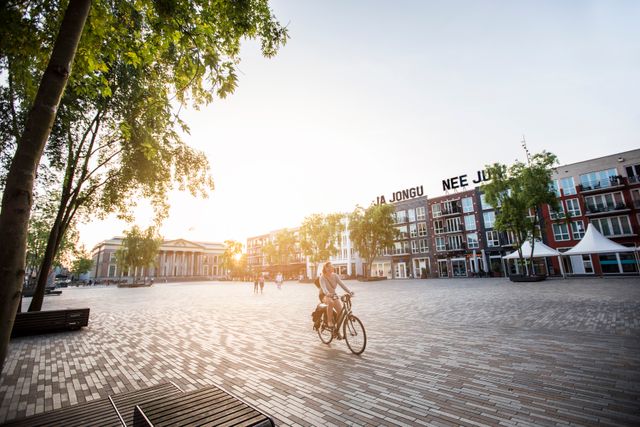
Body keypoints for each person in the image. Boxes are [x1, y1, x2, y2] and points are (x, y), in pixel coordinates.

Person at [319, 261, 354, 337]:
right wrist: (328, 294)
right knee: (331, 302)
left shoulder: (335, 276)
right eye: (330, 267)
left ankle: (336, 331)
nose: (332, 268)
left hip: (333, 295)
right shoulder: (322, 277)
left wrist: (349, 292)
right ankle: (329, 321)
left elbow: (342, 284)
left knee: (340, 313)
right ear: (326, 268)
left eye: (332, 266)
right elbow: (324, 288)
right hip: (324, 295)